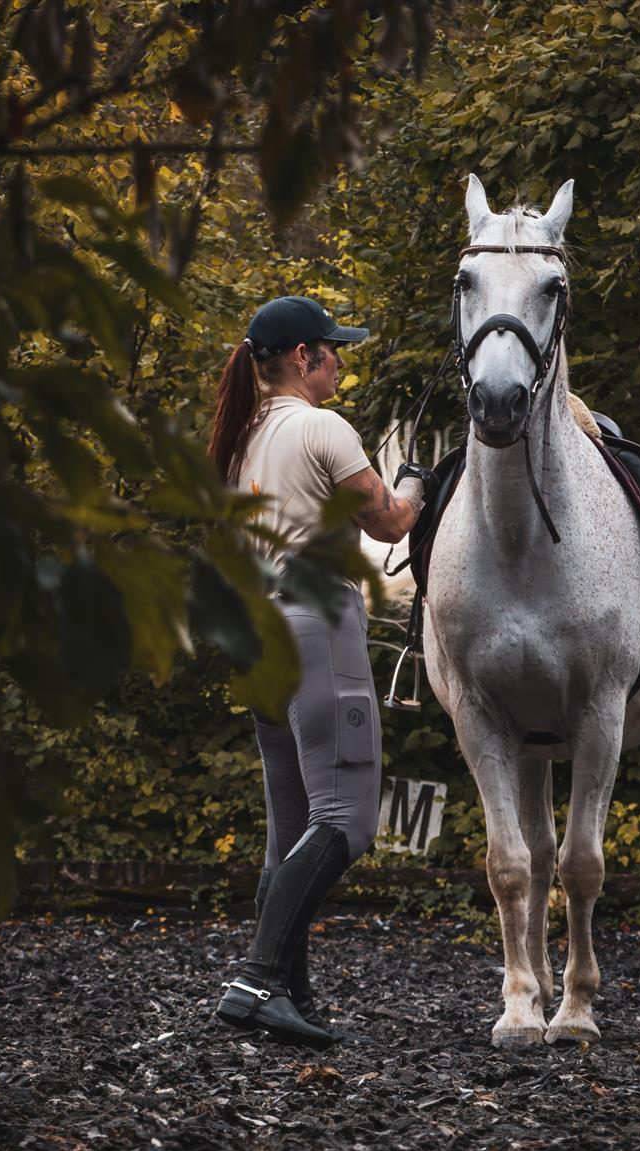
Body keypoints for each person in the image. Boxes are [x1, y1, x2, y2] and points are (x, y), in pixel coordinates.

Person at [207, 295, 432, 1049]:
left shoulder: (240, 438)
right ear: (303, 356)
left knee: (292, 832)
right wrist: (416, 484)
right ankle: (254, 979)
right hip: (318, 627)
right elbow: (390, 523)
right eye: (333, 349)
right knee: (348, 821)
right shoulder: (321, 427)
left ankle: (288, 995)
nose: (341, 360)